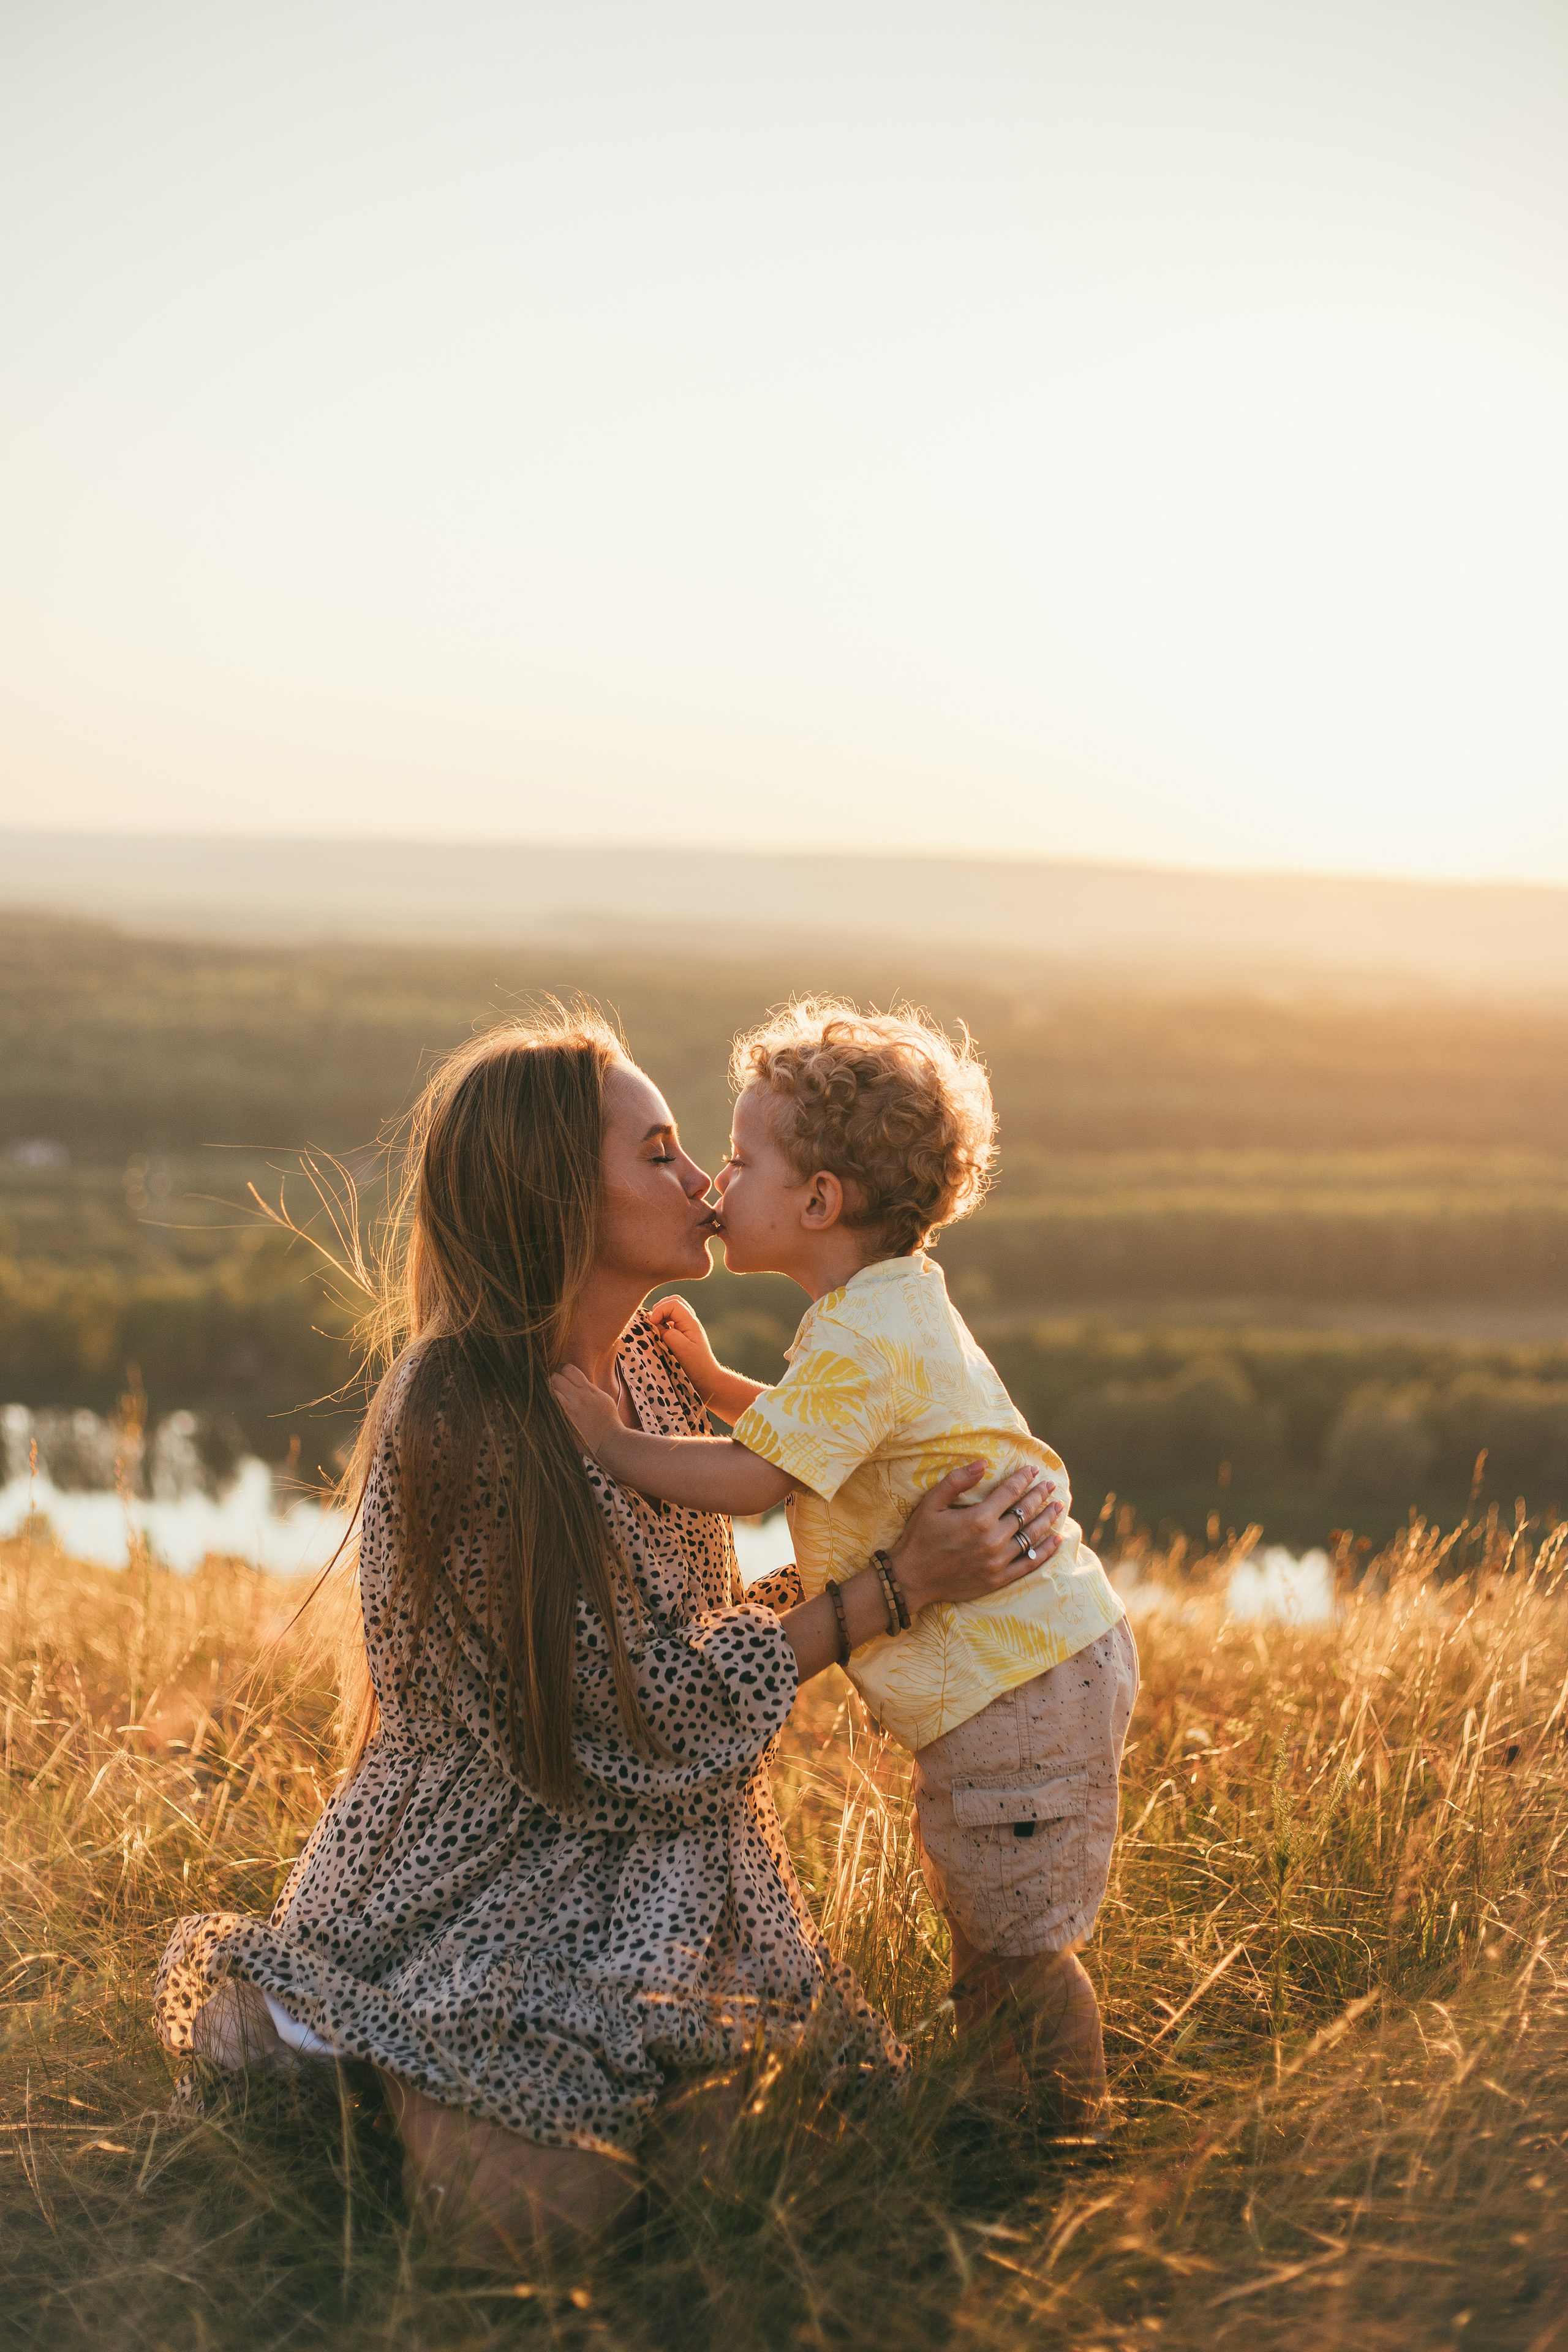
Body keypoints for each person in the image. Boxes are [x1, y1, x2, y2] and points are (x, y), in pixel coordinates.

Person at [153, 1008, 1064, 2265]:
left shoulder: (643, 1360)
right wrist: (896, 1589)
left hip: (669, 1861)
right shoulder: (460, 1406)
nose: (702, 1187)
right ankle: (328, 2043)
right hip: (496, 1864)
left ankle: (442, 2087)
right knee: (533, 2221)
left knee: (779, 2172)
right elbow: (620, 1723)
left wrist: (936, 1530)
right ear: (553, 1200)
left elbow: (692, 1623)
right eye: (659, 1157)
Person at [552, 1000, 1139, 2121]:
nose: (716, 1190)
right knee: (989, 1926)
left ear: (819, 1201)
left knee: (1018, 1949)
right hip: (1021, 1677)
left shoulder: (862, 1334)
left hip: (1018, 1688)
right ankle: (1001, 2115)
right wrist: (723, 1387)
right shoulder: (882, 1312)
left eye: (737, 1162)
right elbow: (819, 1436)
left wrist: (615, 1443)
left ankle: (1061, 2133)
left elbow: (762, 1478)